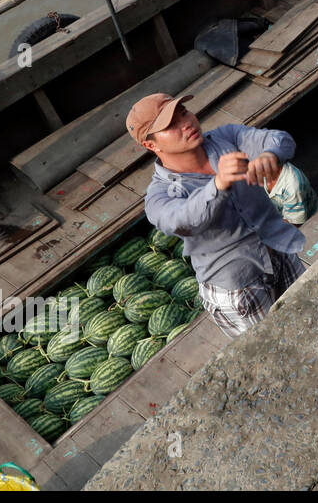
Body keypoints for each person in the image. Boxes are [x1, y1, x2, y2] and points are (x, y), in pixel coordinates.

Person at [127, 92, 307, 338]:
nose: (186, 122)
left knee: (315, 317)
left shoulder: (226, 138)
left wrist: (269, 155)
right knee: (277, 350)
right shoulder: (159, 196)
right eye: (171, 125)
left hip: (280, 252)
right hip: (239, 289)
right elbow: (184, 221)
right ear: (150, 145)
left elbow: (279, 139)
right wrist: (218, 183)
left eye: (184, 112)